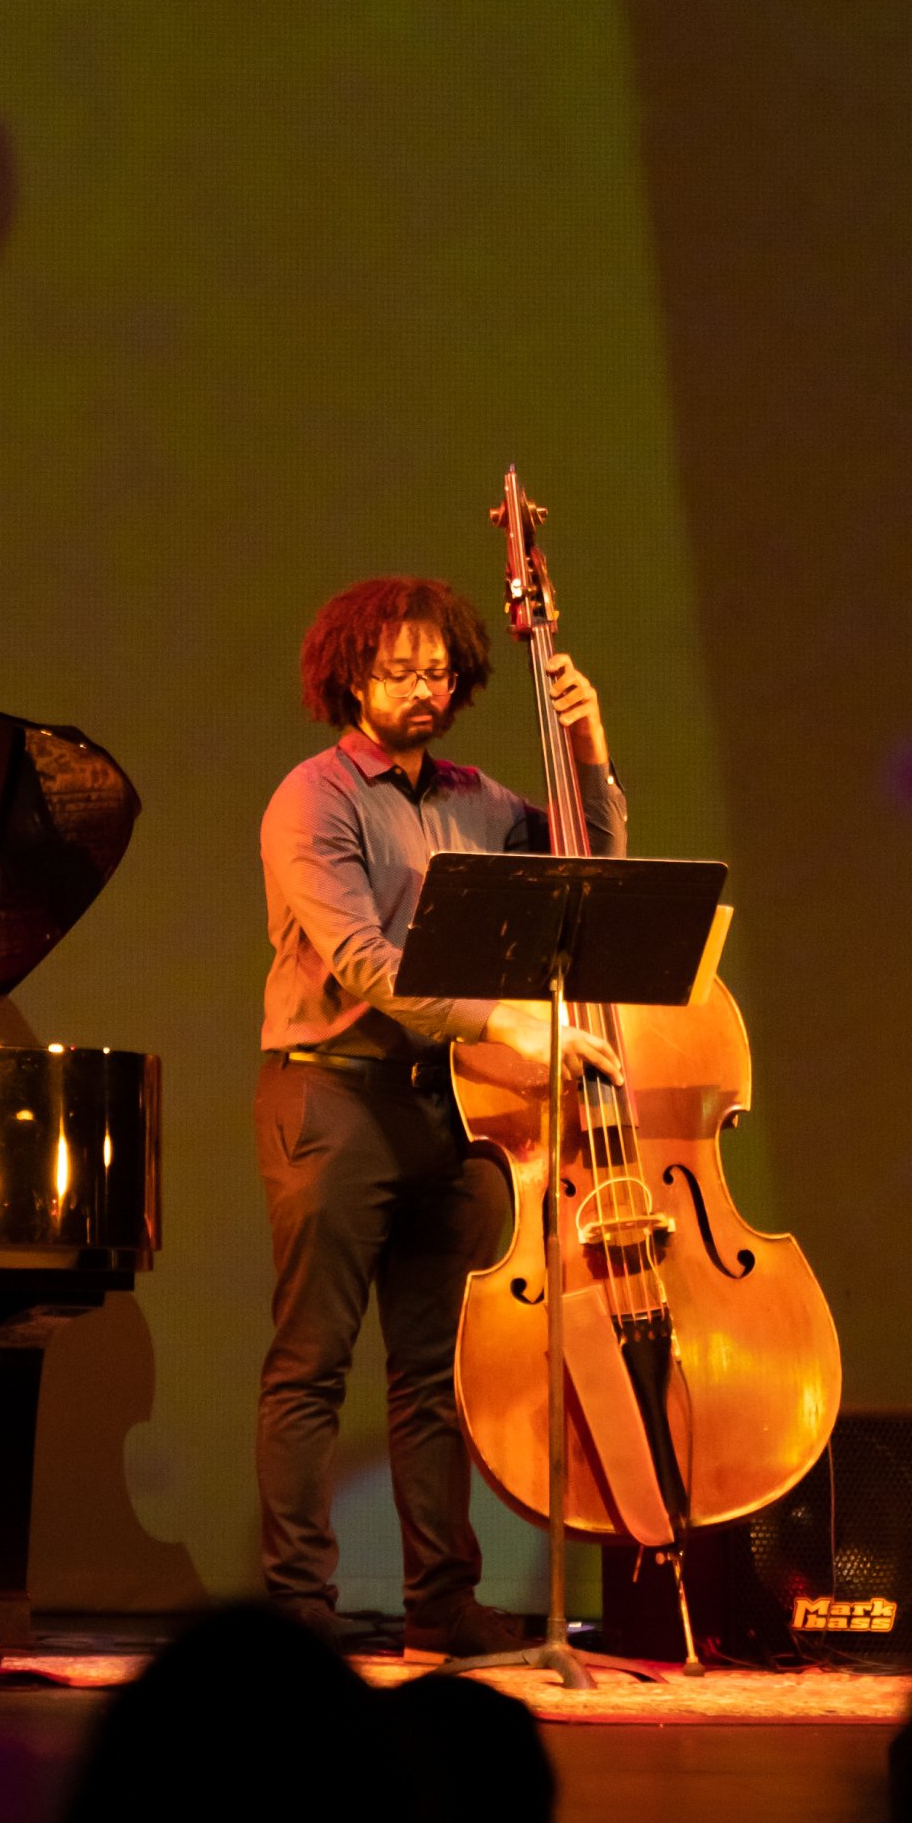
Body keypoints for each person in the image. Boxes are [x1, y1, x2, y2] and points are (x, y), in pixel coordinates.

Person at [256, 576, 624, 1657]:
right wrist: (507, 1023)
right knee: (312, 1366)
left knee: (437, 1375)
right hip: (333, 1095)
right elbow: (365, 962)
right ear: (350, 677)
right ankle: (297, 1611)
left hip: (451, 1105)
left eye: (439, 672)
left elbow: (587, 873)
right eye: (397, 671)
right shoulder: (313, 799)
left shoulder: (479, 800)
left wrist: (589, 749)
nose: (422, 689)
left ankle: (440, 1602)